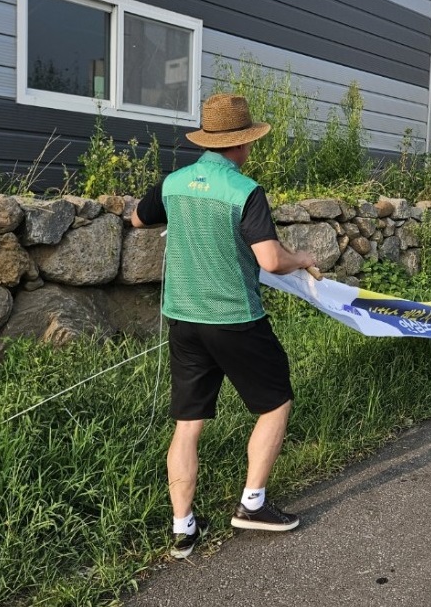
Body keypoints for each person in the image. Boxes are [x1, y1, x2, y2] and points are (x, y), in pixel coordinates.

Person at [132, 93, 318, 559]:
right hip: (235, 318)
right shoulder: (244, 190)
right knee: (276, 404)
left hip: (184, 319)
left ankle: (183, 528)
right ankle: (252, 504)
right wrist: (303, 259)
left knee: (187, 426)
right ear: (241, 144)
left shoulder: (173, 183)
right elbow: (271, 261)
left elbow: (137, 218)